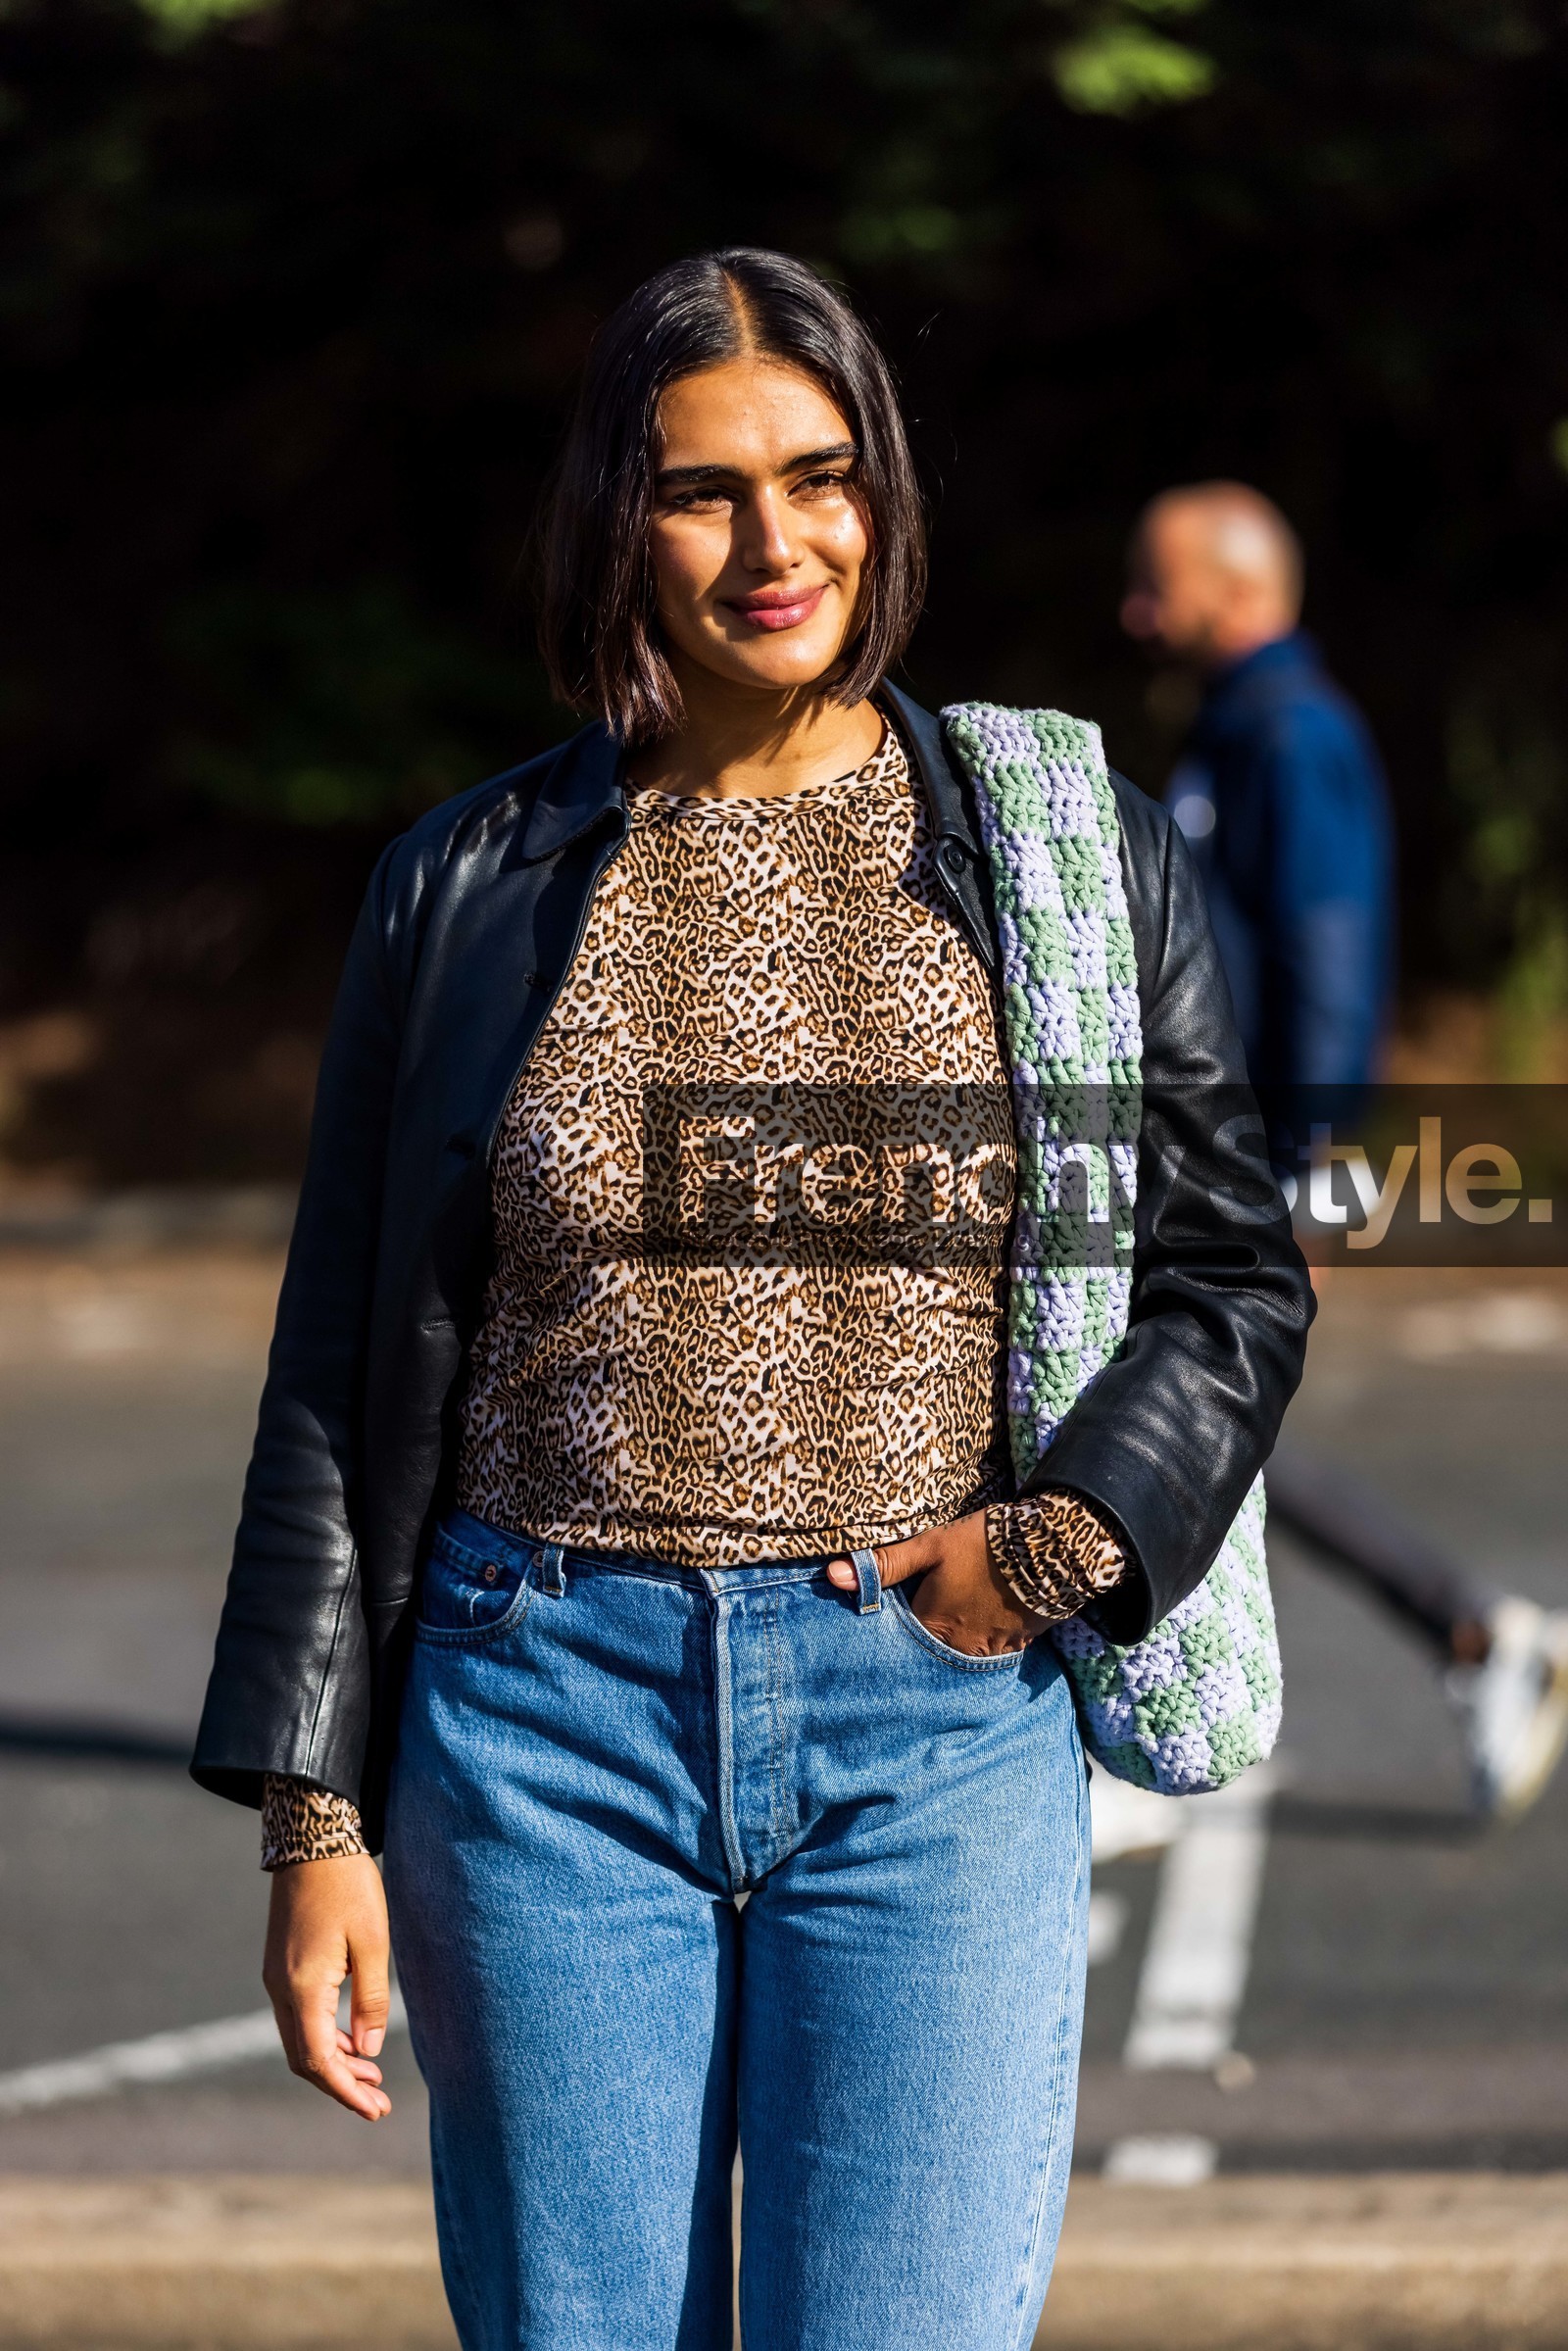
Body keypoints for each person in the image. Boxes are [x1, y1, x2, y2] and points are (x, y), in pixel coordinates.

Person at [192, 255, 1308, 2351]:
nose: (773, 542)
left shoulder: (1052, 847)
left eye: (819, 476)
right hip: (540, 1731)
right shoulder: (462, 885)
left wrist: (1049, 1552)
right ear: (614, 520)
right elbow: (339, 1369)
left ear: (882, 491)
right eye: (700, 491)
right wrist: (313, 1819)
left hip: (932, 1725)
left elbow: (1225, 1274)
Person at [1122, 480, 1568, 1819]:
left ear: (1239, 587)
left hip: (1255, 1152)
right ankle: (1472, 1633)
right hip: (1211, 1146)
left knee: (1167, 1411)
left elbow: (1329, 951)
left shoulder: (1292, 735)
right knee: (1188, 1418)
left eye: (1158, 583)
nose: (1136, 611)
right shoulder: (1232, 727)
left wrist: (1316, 1165)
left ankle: (1463, 1632)